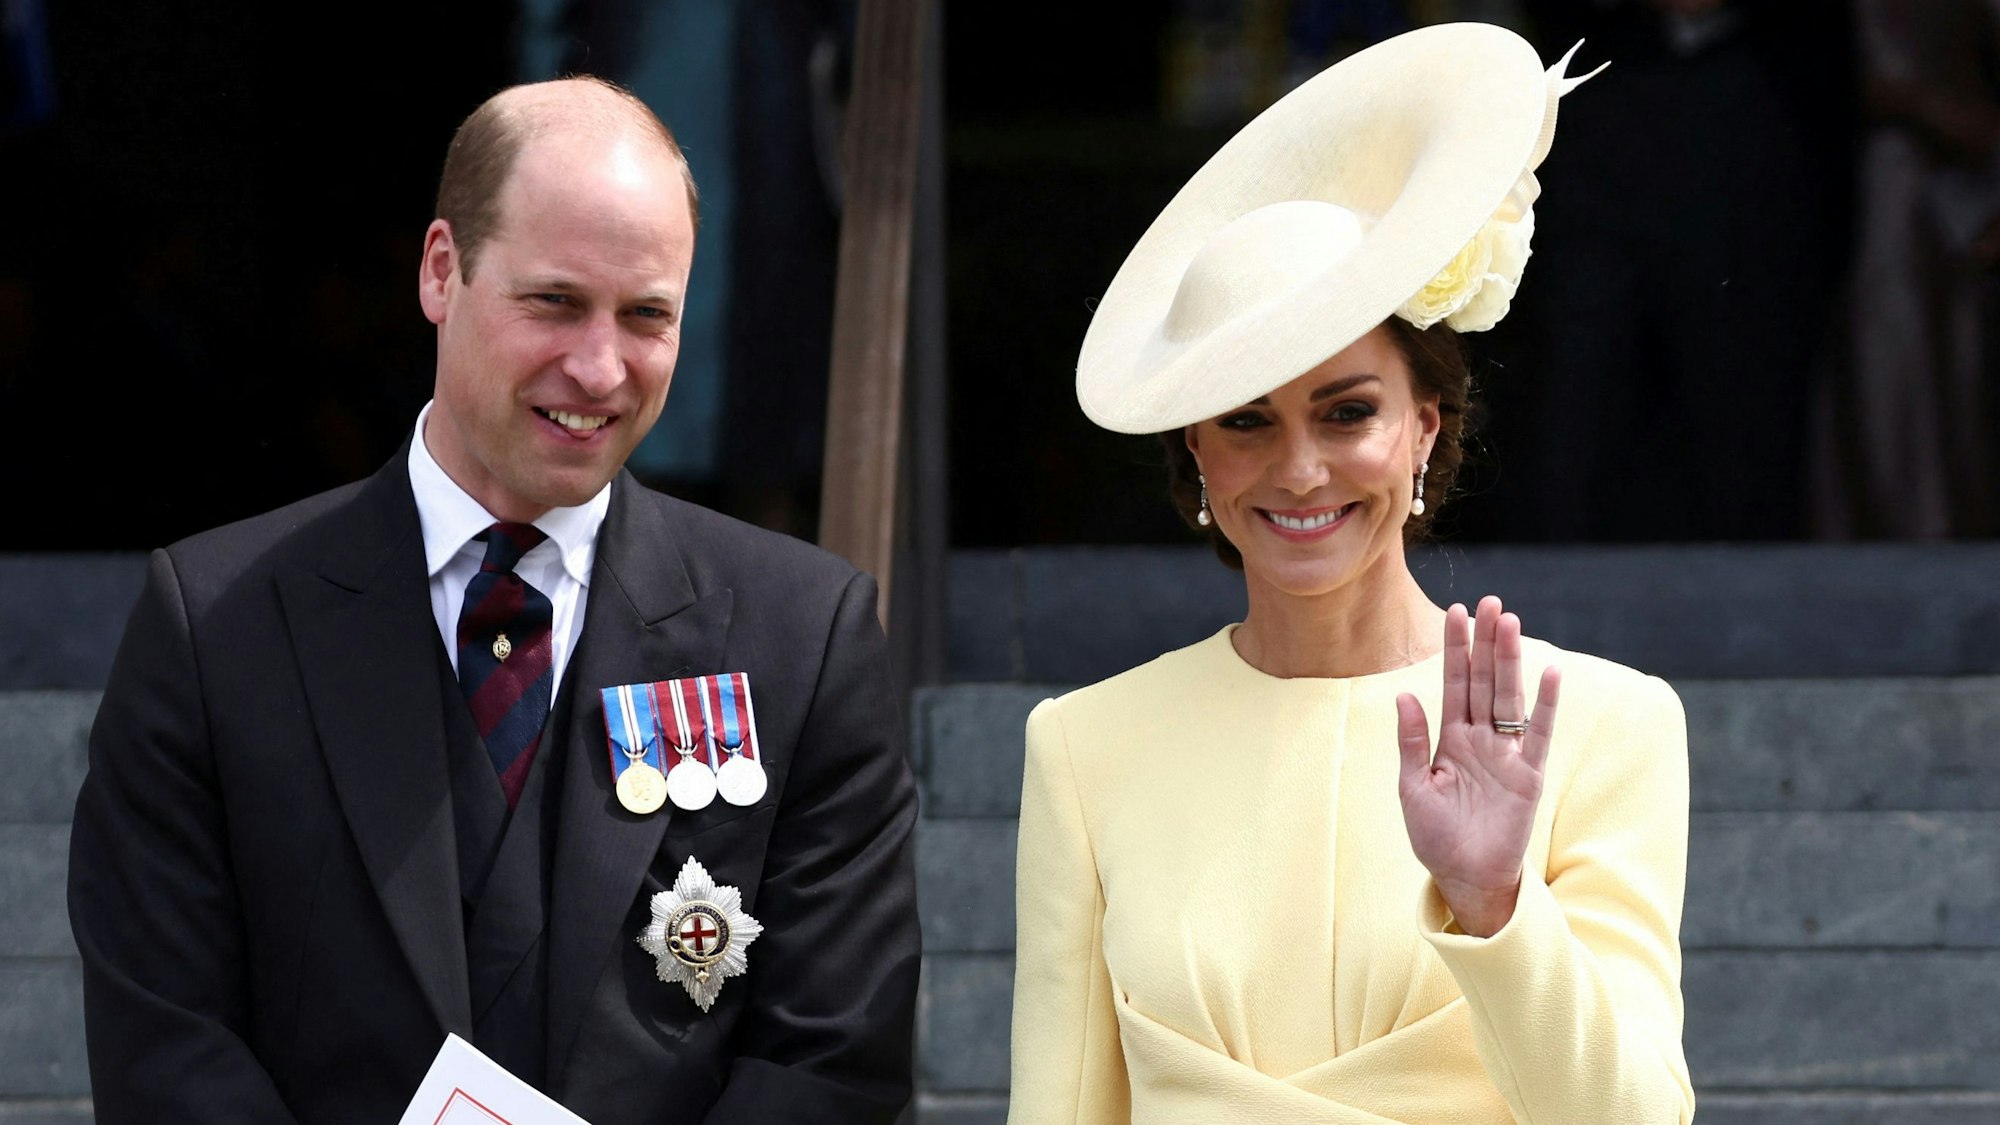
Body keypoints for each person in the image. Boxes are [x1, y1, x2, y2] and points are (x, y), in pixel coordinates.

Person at [68, 76, 919, 1124]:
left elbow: (833, 1060)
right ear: (441, 271)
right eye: (554, 302)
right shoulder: (216, 628)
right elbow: (168, 1049)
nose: (599, 366)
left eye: (646, 315)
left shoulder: (803, 636)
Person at [1009, 24, 1694, 1123]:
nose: (1297, 469)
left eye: (1346, 412)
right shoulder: (1084, 748)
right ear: (1196, 450)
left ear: (1424, 427)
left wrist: (1493, 906)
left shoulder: (1605, 727)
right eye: (1245, 420)